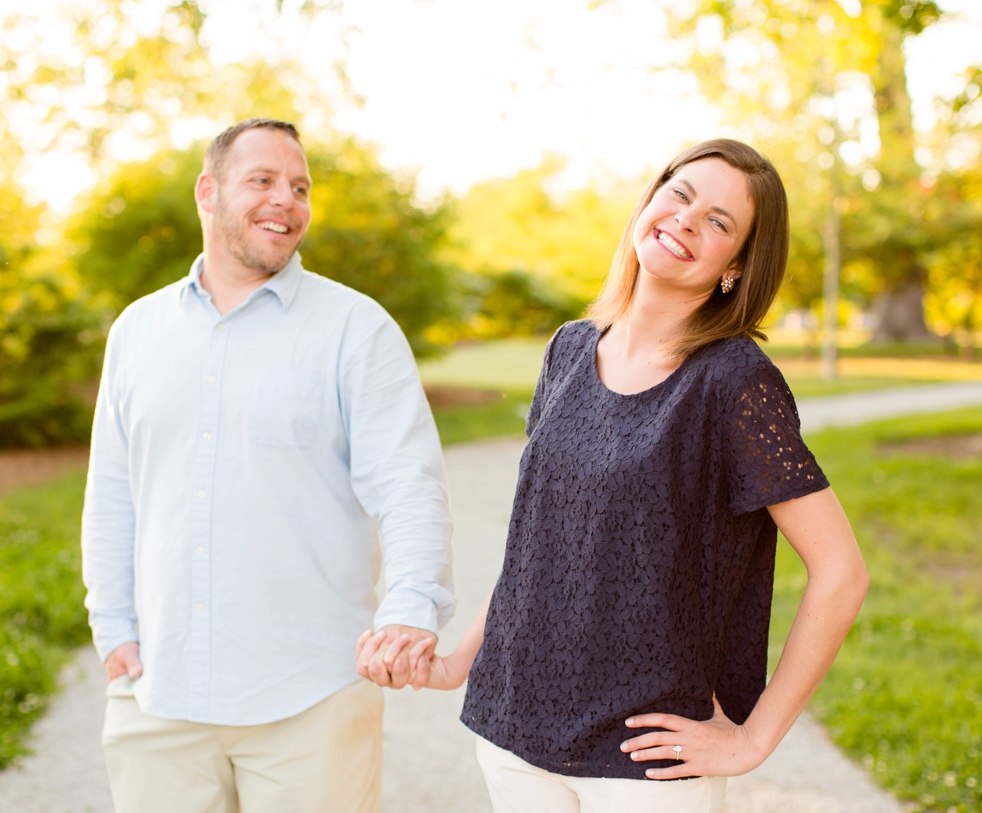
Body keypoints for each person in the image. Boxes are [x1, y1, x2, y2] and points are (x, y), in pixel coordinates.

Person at [358, 139, 869, 813]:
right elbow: (542, 545)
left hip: (645, 762)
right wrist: (459, 661)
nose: (687, 219)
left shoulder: (734, 382)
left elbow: (842, 571)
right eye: (680, 195)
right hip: (515, 730)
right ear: (650, 203)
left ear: (737, 266)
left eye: (719, 221)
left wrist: (753, 740)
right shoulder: (569, 349)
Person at [82, 117, 455, 813]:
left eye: (300, 186)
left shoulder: (356, 328)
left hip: (309, 697)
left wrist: (411, 607)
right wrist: (114, 628)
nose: (286, 199)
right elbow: (111, 492)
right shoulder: (137, 331)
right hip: (159, 698)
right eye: (262, 180)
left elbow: (408, 486)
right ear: (208, 192)